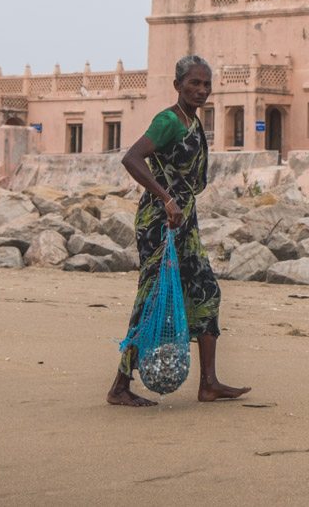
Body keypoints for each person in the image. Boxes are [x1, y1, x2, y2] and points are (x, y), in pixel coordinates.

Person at [107, 55, 251, 406]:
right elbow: (132, 158)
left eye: (206, 85)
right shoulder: (169, 120)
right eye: (194, 84)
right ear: (177, 86)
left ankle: (208, 383)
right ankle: (120, 386)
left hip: (184, 219)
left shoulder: (193, 121)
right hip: (160, 219)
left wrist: (179, 206)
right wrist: (166, 198)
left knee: (206, 291)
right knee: (152, 297)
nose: (202, 90)